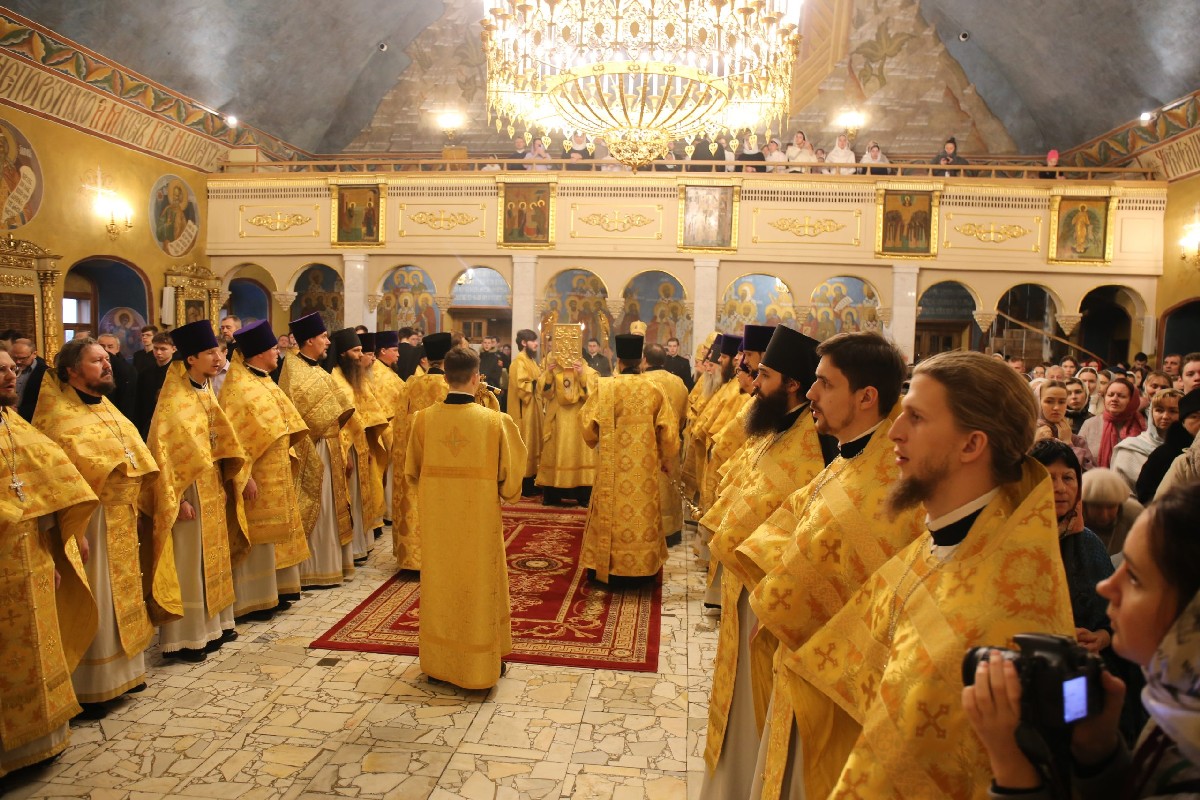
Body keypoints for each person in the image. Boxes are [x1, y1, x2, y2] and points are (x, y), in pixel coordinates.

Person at [769, 351, 1075, 798]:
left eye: (916, 417)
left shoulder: (1004, 608)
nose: (894, 431)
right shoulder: (939, 545)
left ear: (971, 445)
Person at [734, 332, 924, 799]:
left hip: (839, 688)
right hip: (798, 662)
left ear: (866, 397)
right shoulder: (848, 458)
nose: (811, 392)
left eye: (824, 383)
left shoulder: (890, 487)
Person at [965, 480, 1200, 798]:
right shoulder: (1180, 708)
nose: (1106, 587)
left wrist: (1012, 765)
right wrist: (1097, 751)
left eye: (1134, 577)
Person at [697, 325, 829, 799]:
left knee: (756, 705)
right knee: (736, 698)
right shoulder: (775, 427)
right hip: (744, 585)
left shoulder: (816, 443)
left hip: (771, 598)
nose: (755, 383)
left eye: (766, 375)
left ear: (792, 383)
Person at [31, 339, 159, 718]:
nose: (107, 365)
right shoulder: (56, 418)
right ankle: (93, 685)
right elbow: (52, 481)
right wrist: (72, 531)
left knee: (123, 593)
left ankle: (126, 673)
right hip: (89, 522)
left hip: (121, 516)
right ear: (72, 370)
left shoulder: (107, 407)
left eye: (106, 359)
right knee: (98, 594)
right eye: (96, 360)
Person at [0, 347, 99, 778]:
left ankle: (41, 740)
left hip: (30, 554)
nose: (10, 376)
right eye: (1, 371)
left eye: (11, 369)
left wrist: (52, 551)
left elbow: (47, 482)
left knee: (38, 645)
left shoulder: (13, 423)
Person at [405, 346, 526, 689]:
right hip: (479, 525)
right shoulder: (494, 421)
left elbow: (411, 472)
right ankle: (479, 666)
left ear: (445, 378)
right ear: (476, 378)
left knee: (440, 585)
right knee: (479, 585)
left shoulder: (423, 420)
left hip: (438, 525)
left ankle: (438, 664)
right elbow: (511, 484)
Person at [143, 319, 249, 662]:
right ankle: (187, 637)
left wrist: (228, 478)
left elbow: (220, 441)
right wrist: (179, 499)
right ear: (191, 359)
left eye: (219, 352)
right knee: (190, 561)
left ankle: (217, 625)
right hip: (187, 494)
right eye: (209, 353)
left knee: (213, 557)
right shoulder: (175, 400)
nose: (218, 358)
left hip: (212, 487)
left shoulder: (204, 391)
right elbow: (167, 456)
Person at [220, 321, 309, 621]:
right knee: (258, 537)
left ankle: (277, 591)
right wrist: (244, 477)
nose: (277, 353)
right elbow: (234, 439)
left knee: (276, 536)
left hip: (277, 471)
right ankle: (254, 599)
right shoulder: (238, 388)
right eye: (273, 349)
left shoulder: (264, 380)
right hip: (256, 476)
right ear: (258, 353)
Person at [580, 334, 679, 583]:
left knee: (610, 514)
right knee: (641, 515)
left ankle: (607, 568)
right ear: (641, 360)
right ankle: (642, 570)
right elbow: (669, 432)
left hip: (612, 471)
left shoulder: (606, 388)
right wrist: (666, 458)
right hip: (644, 472)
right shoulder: (654, 389)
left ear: (619, 360)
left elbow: (587, 428)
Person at [277, 313, 355, 590]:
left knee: (331, 507)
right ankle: (314, 569)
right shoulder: (294, 370)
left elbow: (338, 410)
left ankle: (332, 564)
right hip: (312, 448)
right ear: (309, 340)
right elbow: (296, 417)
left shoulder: (317, 369)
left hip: (329, 445)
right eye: (323, 337)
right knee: (318, 507)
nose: (327, 342)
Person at [392, 332, 456, 571]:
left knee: (413, 501)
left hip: (413, 453)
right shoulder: (448, 386)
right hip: (439, 457)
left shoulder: (411, 383)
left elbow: (400, 422)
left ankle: (411, 556)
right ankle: (436, 555)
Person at [329, 329, 388, 567]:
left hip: (359, 444)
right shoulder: (335, 378)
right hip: (346, 446)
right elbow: (338, 419)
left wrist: (369, 446)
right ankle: (353, 549)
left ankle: (361, 546)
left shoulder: (352, 377)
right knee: (351, 497)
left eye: (361, 350)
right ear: (343, 353)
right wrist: (345, 454)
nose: (360, 355)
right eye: (356, 351)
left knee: (361, 495)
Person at [535, 330, 599, 507]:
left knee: (579, 453)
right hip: (557, 418)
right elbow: (544, 393)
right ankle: (552, 494)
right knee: (555, 452)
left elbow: (592, 397)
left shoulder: (589, 371)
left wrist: (581, 375)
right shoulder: (552, 368)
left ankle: (583, 495)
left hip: (578, 419)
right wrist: (549, 374)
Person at [642, 343, 689, 544]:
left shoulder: (641, 382)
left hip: (646, 447)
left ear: (644, 360)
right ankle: (671, 531)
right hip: (671, 445)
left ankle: (650, 529)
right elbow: (684, 416)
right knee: (669, 488)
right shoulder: (678, 383)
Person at [366, 330, 405, 529]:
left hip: (393, 428)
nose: (398, 354)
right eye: (394, 350)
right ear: (383, 351)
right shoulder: (379, 372)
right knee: (388, 474)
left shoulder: (385, 370)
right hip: (386, 429)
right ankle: (389, 512)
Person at [1137, 388, 1200, 502]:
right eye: (1194, 417)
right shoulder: (1167, 456)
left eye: (1172, 411)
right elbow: (1147, 495)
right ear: (1183, 422)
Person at [1112, 388, 1181, 491]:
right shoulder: (1130, 448)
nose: (1165, 416)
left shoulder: (1188, 448)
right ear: (1151, 412)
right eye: (1159, 410)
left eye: (1173, 411)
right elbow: (1121, 490)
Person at [1080, 376, 1145, 468]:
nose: (1114, 399)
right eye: (1110, 395)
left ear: (1132, 400)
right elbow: (1080, 458)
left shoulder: (1142, 426)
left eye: (1121, 396)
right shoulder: (1090, 424)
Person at [508, 328, 543, 497]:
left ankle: (534, 479)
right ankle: (525, 483)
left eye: (536, 340)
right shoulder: (518, 362)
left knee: (535, 444)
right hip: (524, 412)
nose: (536, 344)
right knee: (526, 444)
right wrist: (539, 380)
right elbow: (522, 387)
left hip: (534, 411)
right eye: (533, 341)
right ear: (523, 343)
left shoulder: (531, 361)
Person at [1033, 379, 1095, 471]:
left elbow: (1090, 474)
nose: (1056, 407)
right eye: (1049, 401)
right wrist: (1034, 444)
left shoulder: (1076, 441)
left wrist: (1068, 444)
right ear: (1038, 402)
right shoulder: (1025, 435)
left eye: (1062, 402)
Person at [1082, 467, 1144, 557]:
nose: (1104, 515)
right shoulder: (1070, 521)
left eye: (1111, 507)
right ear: (1084, 505)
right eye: (1097, 507)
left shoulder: (1134, 515)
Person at [134, 332, 176, 440]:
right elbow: (139, 401)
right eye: (155, 348)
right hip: (149, 421)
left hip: (171, 422)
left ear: (173, 349)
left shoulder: (178, 373)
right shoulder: (145, 373)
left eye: (163, 349)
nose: (158, 352)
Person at [96, 332, 138, 422]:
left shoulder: (127, 369)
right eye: (102, 346)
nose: (106, 350)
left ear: (117, 349)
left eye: (110, 347)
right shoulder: (93, 367)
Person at [11, 337, 46, 421]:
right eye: (14, 357)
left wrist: (19, 411)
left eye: (22, 358)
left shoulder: (45, 373)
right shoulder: (7, 368)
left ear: (34, 354)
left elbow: (46, 402)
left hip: (31, 420)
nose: (18, 362)